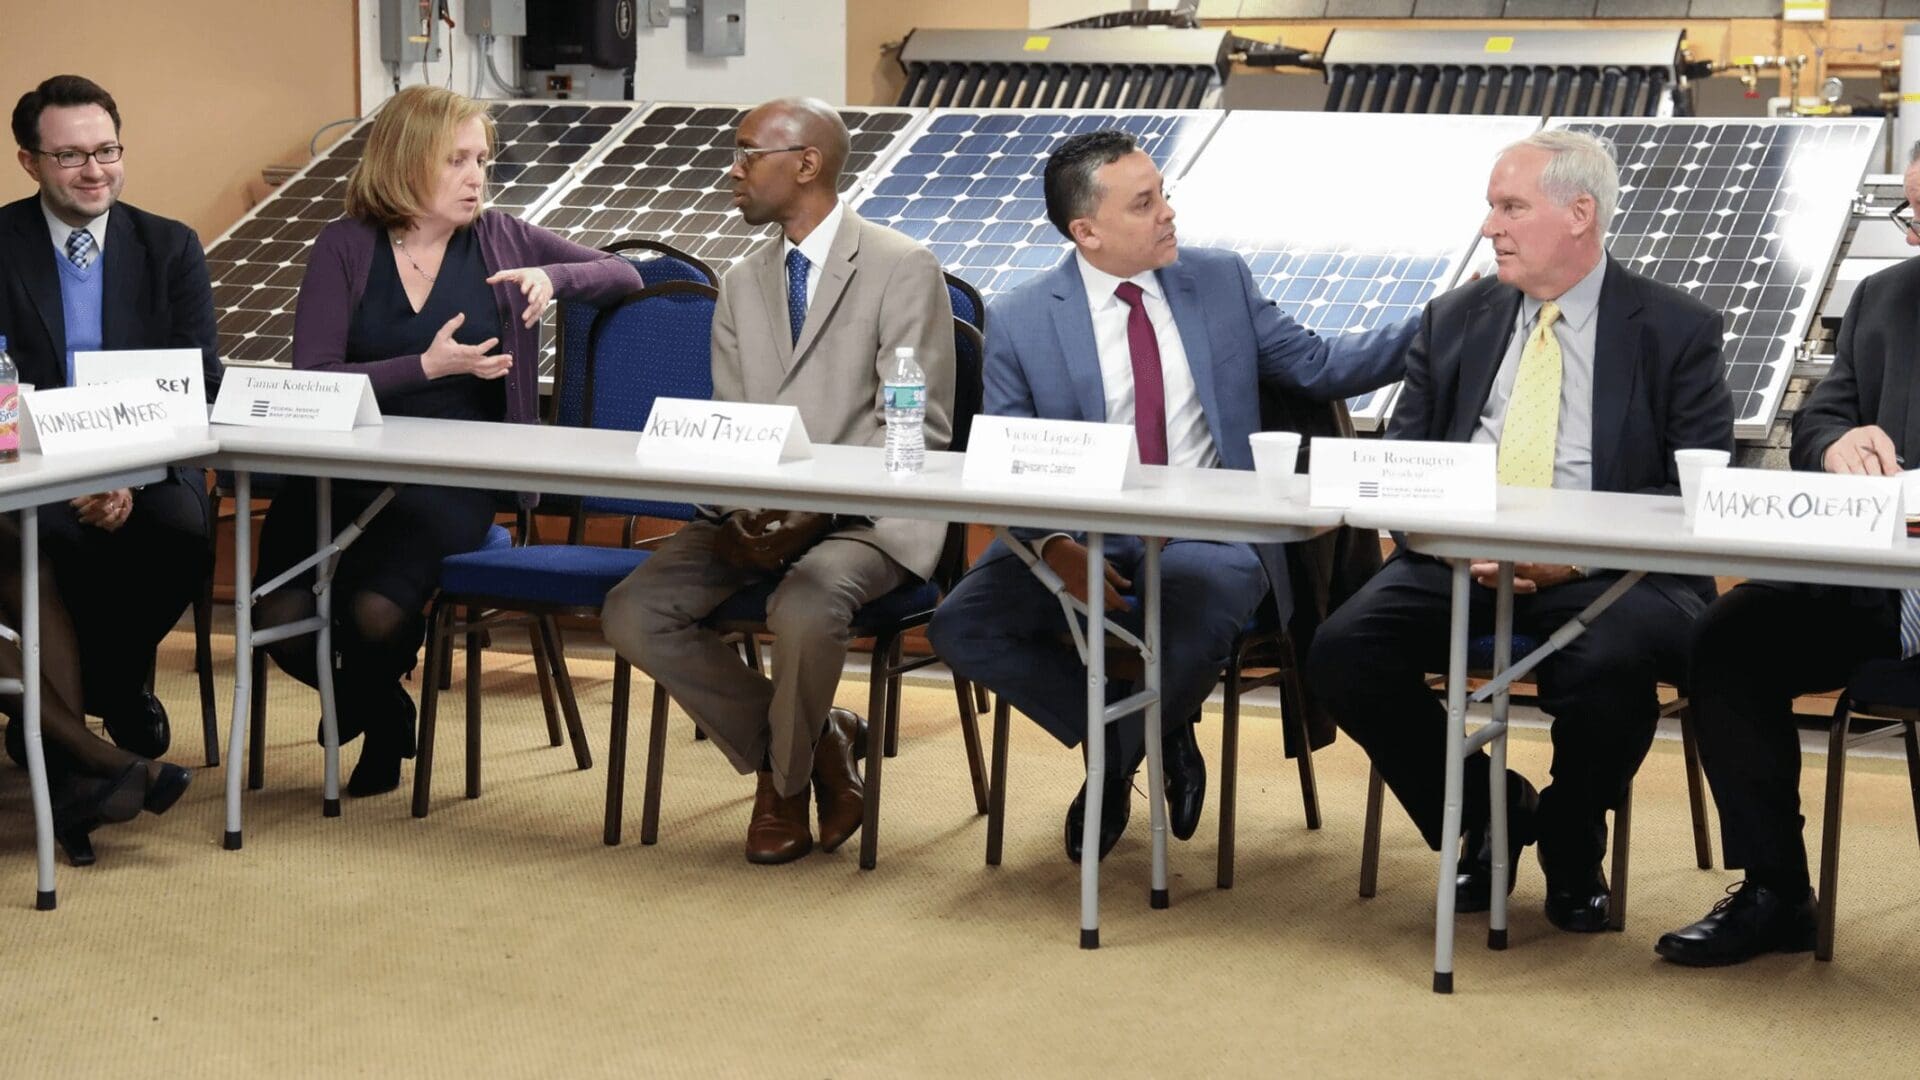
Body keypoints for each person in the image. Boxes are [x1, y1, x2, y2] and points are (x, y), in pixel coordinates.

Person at [926, 129, 1413, 864]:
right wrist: (1055, 549)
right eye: (1145, 203)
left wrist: (1443, 324)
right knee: (962, 625)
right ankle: (1158, 729)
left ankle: (1114, 764)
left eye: (1164, 195)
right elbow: (1010, 459)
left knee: (1197, 603)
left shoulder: (1219, 280)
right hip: (1080, 531)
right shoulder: (1024, 316)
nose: (1168, 214)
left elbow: (1319, 367)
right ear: (1085, 231)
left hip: (1211, 530)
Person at [1307, 129, 1734, 933]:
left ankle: (1574, 836)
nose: (1489, 227)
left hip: (1618, 574)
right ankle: (1488, 813)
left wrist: (1569, 561)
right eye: (1490, 206)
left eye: (1510, 207)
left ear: (1580, 214)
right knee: (1342, 649)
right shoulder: (1455, 317)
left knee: (1608, 663)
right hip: (1458, 561)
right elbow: (1401, 459)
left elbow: (1693, 491)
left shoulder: (1676, 329)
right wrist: (1455, 540)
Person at [254, 86, 640, 797]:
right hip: (342, 468)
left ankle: (374, 722)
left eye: (482, 161)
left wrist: (552, 278)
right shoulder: (345, 246)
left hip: (454, 477)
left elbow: (624, 273)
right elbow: (315, 378)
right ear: (405, 163)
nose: (476, 177)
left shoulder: (502, 238)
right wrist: (426, 366)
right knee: (276, 616)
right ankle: (384, 705)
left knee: (373, 610)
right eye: (456, 160)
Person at [601, 98, 955, 866]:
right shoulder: (741, 279)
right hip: (752, 510)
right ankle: (818, 741)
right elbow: (735, 421)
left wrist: (817, 516)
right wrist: (740, 513)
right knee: (635, 611)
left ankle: (784, 789)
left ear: (806, 163)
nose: (732, 169)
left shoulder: (902, 266)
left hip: (871, 520)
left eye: (746, 153)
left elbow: (913, 428)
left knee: (805, 604)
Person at [1654, 146, 1920, 967]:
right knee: (1727, 638)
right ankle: (1775, 892)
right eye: (1915, 215)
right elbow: (1816, 421)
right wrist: (1838, 444)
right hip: (1874, 589)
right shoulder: (1883, 297)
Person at [0, 74, 221, 763]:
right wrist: (64, 470)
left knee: (185, 531)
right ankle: (107, 696)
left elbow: (197, 378)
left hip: (143, 463)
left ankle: (106, 683)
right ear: (30, 162)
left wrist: (125, 475)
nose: (94, 170)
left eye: (107, 150)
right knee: (46, 541)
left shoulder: (170, 246)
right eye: (70, 155)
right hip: (31, 467)